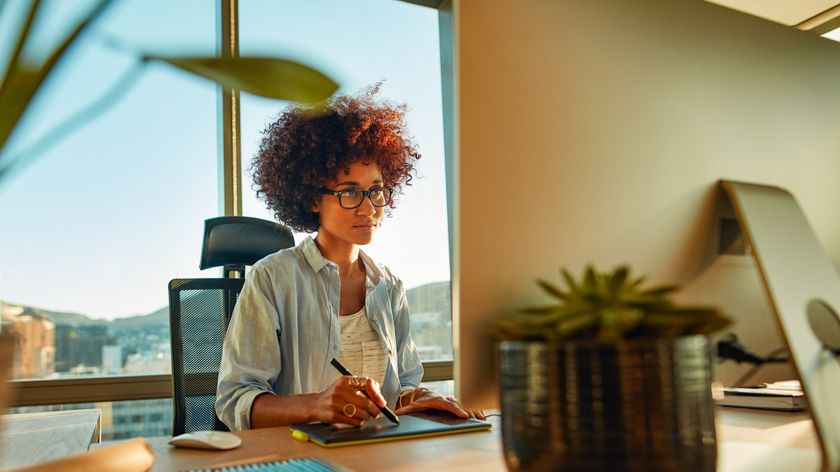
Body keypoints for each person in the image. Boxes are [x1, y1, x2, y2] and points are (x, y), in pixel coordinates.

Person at [215, 86, 485, 430]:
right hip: (301, 459)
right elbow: (235, 400)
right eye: (350, 193)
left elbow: (400, 386)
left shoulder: (389, 286)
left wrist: (417, 398)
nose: (369, 207)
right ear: (313, 198)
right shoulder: (271, 279)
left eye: (376, 191)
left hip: (380, 455)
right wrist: (317, 405)